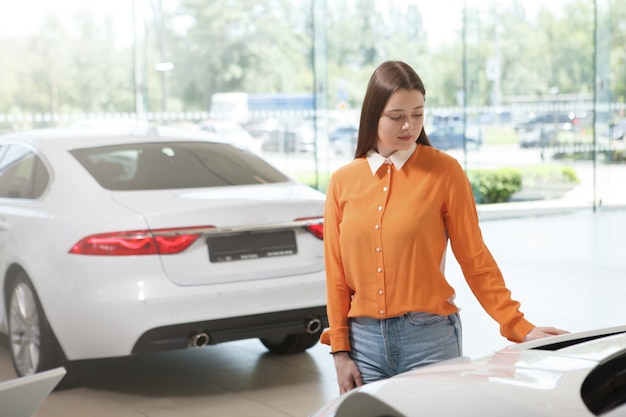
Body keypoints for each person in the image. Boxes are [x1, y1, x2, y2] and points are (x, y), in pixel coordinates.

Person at [320, 60, 567, 394]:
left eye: (418, 114)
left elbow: (475, 258)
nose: (409, 125)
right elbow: (336, 276)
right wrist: (340, 350)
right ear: (372, 115)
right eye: (396, 116)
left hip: (430, 339)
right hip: (363, 346)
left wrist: (517, 324)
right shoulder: (342, 182)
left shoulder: (445, 172)